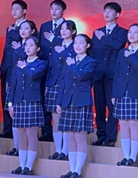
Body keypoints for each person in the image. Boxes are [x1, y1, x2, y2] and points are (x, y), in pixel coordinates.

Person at [56, 34, 97, 178]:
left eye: (81, 43)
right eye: (75, 43)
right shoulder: (69, 60)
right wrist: (59, 101)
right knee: (70, 136)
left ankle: (77, 171)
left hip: (82, 101)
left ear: (87, 45)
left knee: (80, 136)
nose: (77, 46)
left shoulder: (91, 62)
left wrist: (72, 64)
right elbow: (63, 82)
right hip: (68, 101)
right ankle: (71, 169)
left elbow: (82, 76)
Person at [8, 36, 47, 175]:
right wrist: (10, 103)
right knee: (22, 134)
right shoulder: (19, 64)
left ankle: (29, 166)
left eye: (31, 45)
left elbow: (34, 75)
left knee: (31, 133)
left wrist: (24, 67)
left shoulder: (41, 64)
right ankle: (21, 164)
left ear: (38, 48)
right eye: (26, 45)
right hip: (19, 101)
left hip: (32, 101)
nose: (28, 48)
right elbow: (13, 85)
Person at [92, 2, 128, 147]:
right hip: (98, 74)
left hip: (113, 75)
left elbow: (118, 45)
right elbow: (93, 53)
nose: (106, 14)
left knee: (112, 107)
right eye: (105, 11)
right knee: (99, 106)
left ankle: (110, 137)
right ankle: (100, 135)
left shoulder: (123, 32)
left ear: (117, 14)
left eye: (110, 11)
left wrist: (103, 38)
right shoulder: (97, 31)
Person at [46, 20, 77, 160]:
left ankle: (65, 151)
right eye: (62, 29)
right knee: (55, 118)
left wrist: (63, 52)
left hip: (68, 85)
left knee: (66, 117)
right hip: (54, 84)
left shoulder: (75, 47)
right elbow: (51, 67)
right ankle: (58, 150)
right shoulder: (56, 46)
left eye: (67, 29)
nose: (63, 31)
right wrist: (48, 85)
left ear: (73, 31)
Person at [0, 0, 27, 140]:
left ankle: (17, 133)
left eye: (17, 9)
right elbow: (7, 50)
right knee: (6, 99)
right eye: (12, 9)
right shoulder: (10, 28)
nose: (14, 12)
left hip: (19, 69)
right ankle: (7, 128)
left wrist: (14, 31)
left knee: (15, 101)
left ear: (24, 11)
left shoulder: (27, 27)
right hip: (7, 69)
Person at [38, 0, 67, 142]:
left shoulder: (67, 26)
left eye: (57, 9)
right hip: (44, 66)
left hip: (58, 69)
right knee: (44, 100)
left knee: (56, 103)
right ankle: (46, 131)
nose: (54, 12)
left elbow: (68, 45)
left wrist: (54, 39)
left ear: (63, 11)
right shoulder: (45, 26)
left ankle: (59, 134)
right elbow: (39, 45)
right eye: (52, 9)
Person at [112, 23, 138, 167]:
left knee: (134, 124)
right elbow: (117, 73)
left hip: (135, 92)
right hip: (122, 92)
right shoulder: (122, 52)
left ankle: (133, 157)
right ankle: (126, 155)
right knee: (123, 123)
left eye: (136, 32)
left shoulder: (131, 54)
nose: (132, 35)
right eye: (130, 32)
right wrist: (114, 93)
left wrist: (132, 57)